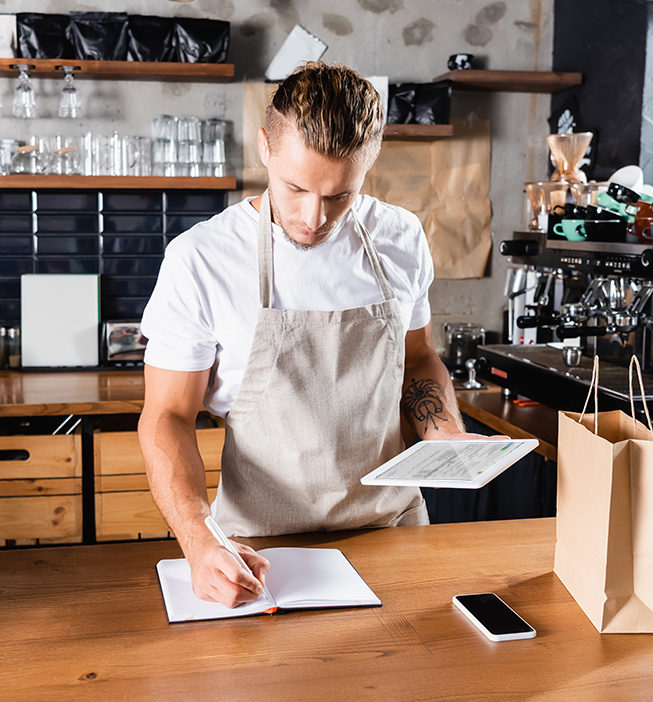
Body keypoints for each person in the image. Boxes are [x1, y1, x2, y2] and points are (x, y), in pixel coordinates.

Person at [139, 61, 488, 608]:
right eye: (295, 187)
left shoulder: (400, 237)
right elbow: (167, 416)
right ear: (264, 148)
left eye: (339, 196)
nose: (313, 217)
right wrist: (197, 538)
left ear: (369, 164)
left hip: (391, 529)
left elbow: (417, 359)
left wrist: (442, 433)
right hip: (258, 550)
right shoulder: (200, 258)